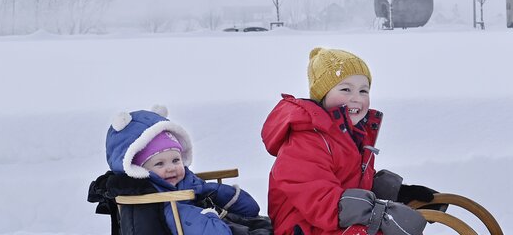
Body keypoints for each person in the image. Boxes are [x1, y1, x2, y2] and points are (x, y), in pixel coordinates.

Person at [262, 47, 436, 235]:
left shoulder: (348, 136)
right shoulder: (305, 140)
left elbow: (353, 184)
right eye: (346, 89)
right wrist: (381, 212)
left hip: (335, 224)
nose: (356, 98)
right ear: (322, 95)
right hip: (305, 228)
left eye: (363, 91)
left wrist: (398, 195)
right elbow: (323, 202)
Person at [102, 106, 270, 235]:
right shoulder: (156, 197)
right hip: (207, 225)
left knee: (266, 224)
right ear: (139, 169)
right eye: (159, 164)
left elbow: (210, 191)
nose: (171, 168)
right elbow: (192, 222)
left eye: (176, 160)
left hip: (219, 219)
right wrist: (211, 218)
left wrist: (234, 198)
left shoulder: (186, 181)